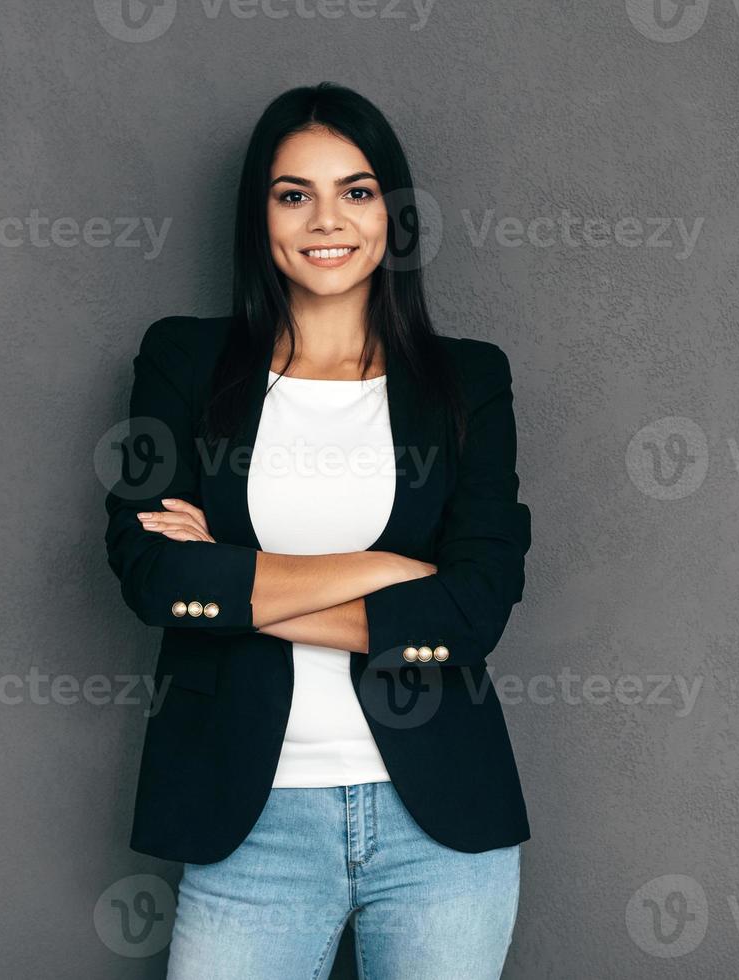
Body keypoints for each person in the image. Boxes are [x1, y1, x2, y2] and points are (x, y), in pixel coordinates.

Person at [102, 82, 534, 979]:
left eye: (357, 190)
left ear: (392, 213)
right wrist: (384, 568)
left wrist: (230, 579)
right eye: (293, 193)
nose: (325, 219)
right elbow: (151, 575)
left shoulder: (468, 382)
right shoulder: (182, 362)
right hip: (246, 823)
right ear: (259, 215)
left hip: (442, 832)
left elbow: (471, 612)